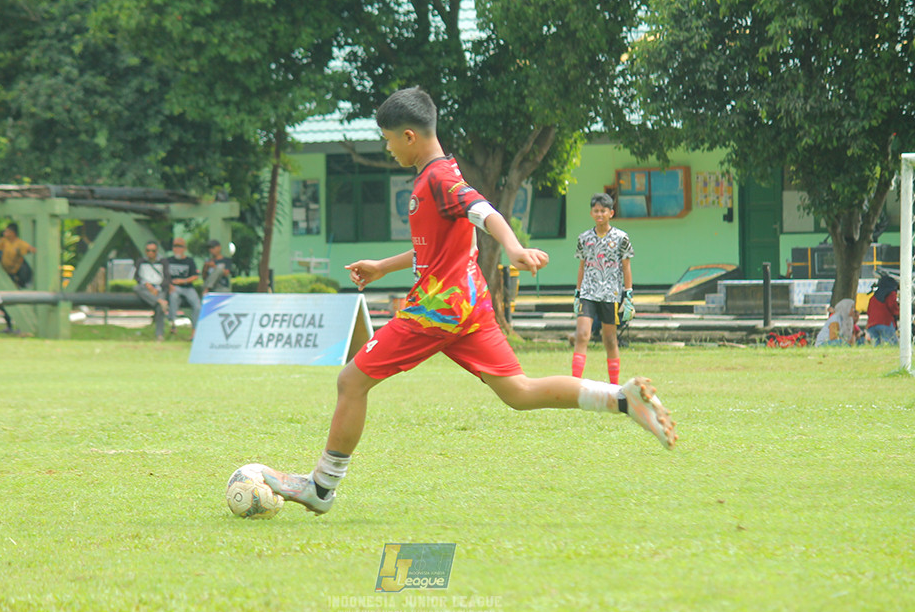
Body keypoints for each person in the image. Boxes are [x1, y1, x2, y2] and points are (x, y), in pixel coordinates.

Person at [258, 87, 676, 516]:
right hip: (468, 306)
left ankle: (322, 488)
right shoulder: (433, 175)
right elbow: (434, 246)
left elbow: (484, 211)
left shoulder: (439, 178)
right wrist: (384, 266)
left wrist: (512, 248)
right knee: (519, 391)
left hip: (436, 311)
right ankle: (623, 400)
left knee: (351, 381)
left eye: (386, 139)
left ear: (408, 136)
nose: (386, 148)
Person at [571, 193, 635, 384]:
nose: (599, 214)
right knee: (582, 335)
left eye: (603, 211)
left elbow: (626, 266)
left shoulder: (621, 238)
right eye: (596, 211)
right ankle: (574, 384)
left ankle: (614, 385)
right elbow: (582, 266)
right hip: (588, 292)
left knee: (609, 339)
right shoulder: (584, 238)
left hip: (611, 294)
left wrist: (628, 295)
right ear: (591, 213)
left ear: (611, 213)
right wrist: (577, 293)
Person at [133, 240, 171, 341]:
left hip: (159, 288)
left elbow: (167, 278)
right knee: (136, 288)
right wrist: (147, 285)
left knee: (159, 309)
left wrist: (156, 289)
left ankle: (159, 334)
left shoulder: (163, 262)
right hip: (146, 287)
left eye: (153, 251)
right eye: (148, 250)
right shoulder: (141, 261)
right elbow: (136, 277)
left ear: (157, 251)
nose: (150, 253)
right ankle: (159, 300)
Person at [166, 237, 200, 339]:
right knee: (173, 298)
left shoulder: (189, 261)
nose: (177, 249)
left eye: (180, 246)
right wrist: (169, 285)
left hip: (188, 287)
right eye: (175, 246)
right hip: (174, 287)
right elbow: (163, 275)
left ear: (184, 248)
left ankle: (194, 331)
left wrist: (183, 281)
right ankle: (173, 326)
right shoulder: (168, 260)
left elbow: (195, 276)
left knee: (197, 305)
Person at [866, 274, 900, 346]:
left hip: (871, 325)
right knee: (891, 345)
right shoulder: (891, 294)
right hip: (885, 323)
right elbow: (892, 306)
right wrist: (899, 312)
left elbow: (868, 312)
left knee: (876, 346)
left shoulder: (873, 298)